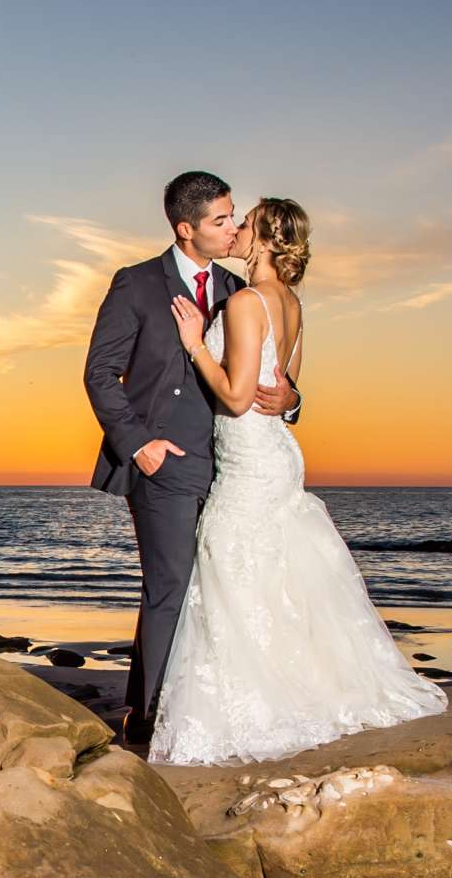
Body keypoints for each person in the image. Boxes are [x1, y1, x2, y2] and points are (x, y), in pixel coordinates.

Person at [146, 196, 448, 766]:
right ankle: (304, 686)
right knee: (275, 572)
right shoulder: (292, 305)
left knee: (233, 565)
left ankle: (265, 702)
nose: (233, 229)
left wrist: (193, 346)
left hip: (249, 457)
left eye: (245, 222)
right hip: (279, 450)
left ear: (262, 240)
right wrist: (291, 398)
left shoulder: (244, 303)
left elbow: (237, 398)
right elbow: (285, 389)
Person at [83, 171, 299, 752]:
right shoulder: (136, 284)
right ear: (186, 229)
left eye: (235, 217)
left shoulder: (238, 291)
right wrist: (139, 444)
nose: (233, 228)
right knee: (170, 584)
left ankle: (159, 703)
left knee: (204, 587)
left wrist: (292, 399)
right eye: (221, 220)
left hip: (229, 465)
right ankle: (150, 721)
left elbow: (269, 371)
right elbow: (99, 374)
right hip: (163, 462)